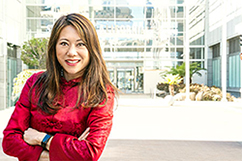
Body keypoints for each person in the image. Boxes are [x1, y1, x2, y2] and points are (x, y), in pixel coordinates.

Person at [2, 13, 118, 161]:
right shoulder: (35, 83)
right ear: (54, 47)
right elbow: (9, 141)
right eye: (64, 43)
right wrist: (69, 149)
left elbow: (89, 152)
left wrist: (41, 139)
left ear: (91, 49)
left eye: (80, 44)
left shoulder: (101, 92)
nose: (71, 52)